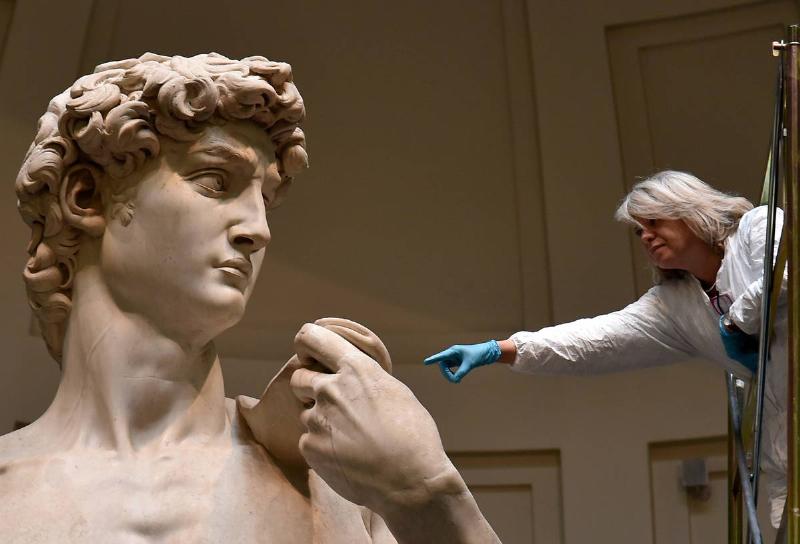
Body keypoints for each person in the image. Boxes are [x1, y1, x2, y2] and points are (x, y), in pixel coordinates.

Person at [0, 52, 499, 543]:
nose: (258, 231)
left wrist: (430, 496)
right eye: (216, 181)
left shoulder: (341, 484)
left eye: (264, 199)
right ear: (85, 197)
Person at [425, 170, 788, 530]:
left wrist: (733, 323)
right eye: (638, 230)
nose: (645, 236)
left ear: (689, 210)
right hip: (784, 441)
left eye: (653, 221)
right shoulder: (675, 305)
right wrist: (496, 350)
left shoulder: (760, 226)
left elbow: (784, 279)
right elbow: (595, 342)